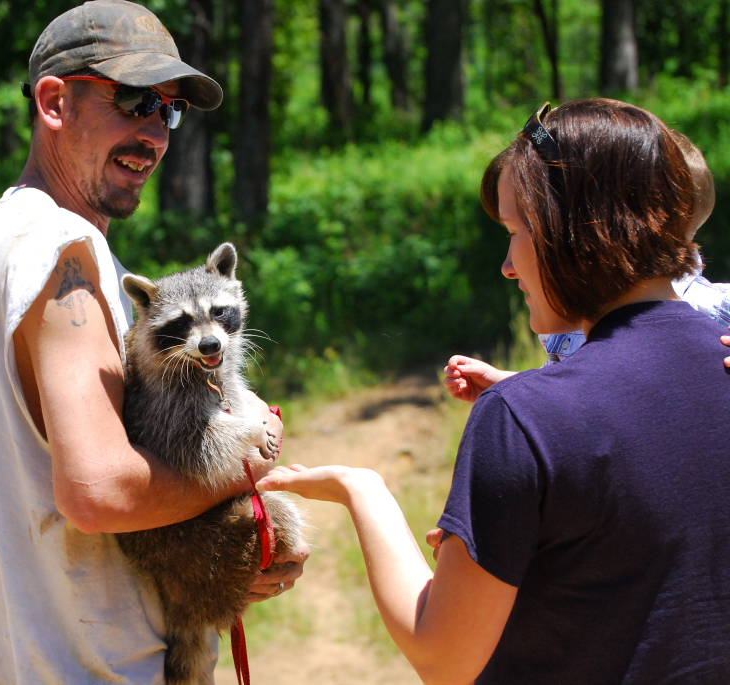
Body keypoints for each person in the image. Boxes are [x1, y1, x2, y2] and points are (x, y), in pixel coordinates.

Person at [257, 99, 730, 684]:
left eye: (514, 231)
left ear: (574, 227)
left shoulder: (524, 416)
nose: (507, 266)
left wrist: (362, 489)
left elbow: (443, 659)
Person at [0, 2, 307, 683]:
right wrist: (251, 453)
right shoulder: (62, 253)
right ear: (54, 102)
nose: (154, 135)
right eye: (133, 102)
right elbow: (97, 491)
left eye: (168, 111)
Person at [444, 130, 730, 401]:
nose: (508, 266)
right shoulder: (571, 328)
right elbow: (572, 397)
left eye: (517, 231)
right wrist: (512, 388)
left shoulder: (715, 306)